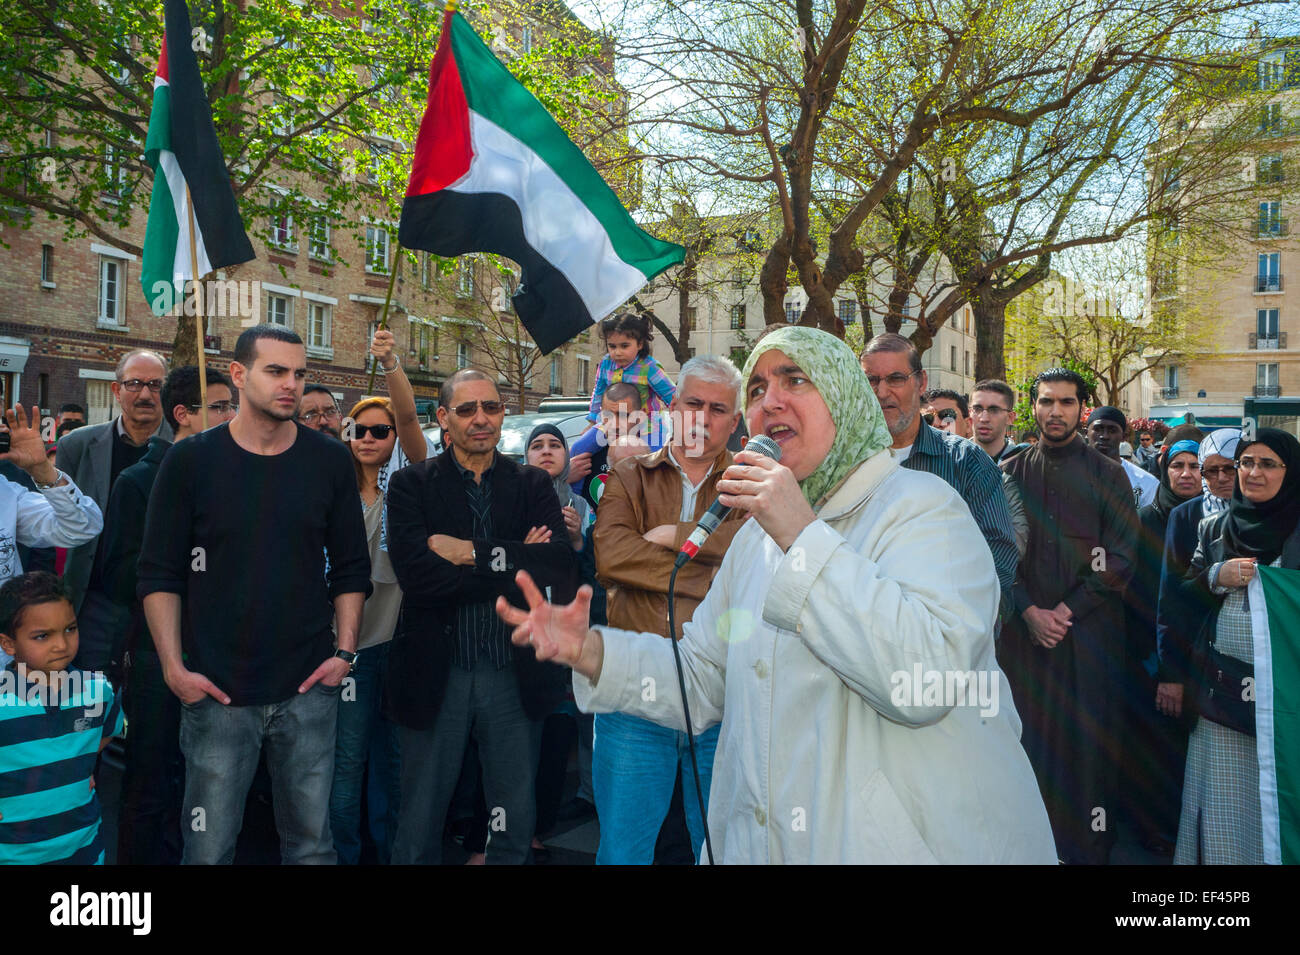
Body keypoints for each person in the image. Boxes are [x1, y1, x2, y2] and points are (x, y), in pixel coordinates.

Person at [499, 326, 1056, 863]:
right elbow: (701, 676)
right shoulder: (754, 541)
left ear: (844, 397)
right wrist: (594, 652)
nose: (770, 400)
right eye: (759, 388)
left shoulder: (924, 507)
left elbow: (924, 683)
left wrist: (800, 533)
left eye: (795, 379)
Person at [138, 325, 372, 865]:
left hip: (310, 685)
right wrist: (175, 669)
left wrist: (344, 654)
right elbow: (158, 574)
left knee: (313, 847)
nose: (291, 384)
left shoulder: (330, 460)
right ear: (240, 375)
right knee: (208, 848)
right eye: (276, 371)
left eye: (300, 373)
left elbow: (352, 569)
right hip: (216, 690)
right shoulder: (191, 461)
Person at [384, 368, 578, 864]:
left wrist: (468, 551)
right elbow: (419, 578)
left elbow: (555, 565)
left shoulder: (532, 483)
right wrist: (513, 560)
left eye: (490, 407)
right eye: (467, 409)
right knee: (419, 819)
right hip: (436, 670)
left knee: (513, 818)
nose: (481, 419)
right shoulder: (412, 485)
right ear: (444, 418)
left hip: (512, 673)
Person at [588, 355, 746, 865]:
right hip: (636, 690)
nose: (703, 417)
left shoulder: (754, 485)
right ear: (672, 407)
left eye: (718, 408)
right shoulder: (630, 474)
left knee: (721, 849)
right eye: (693, 403)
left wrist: (674, 538)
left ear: (736, 419)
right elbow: (611, 557)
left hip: (723, 697)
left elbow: (757, 568)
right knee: (623, 852)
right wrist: (713, 565)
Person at [999, 368, 1139, 864]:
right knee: (1027, 747)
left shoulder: (1108, 474)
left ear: (1083, 407)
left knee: (1088, 756)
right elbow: (994, 556)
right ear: (1032, 409)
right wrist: (1029, 610)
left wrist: (1064, 610)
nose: (1054, 411)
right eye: (1045, 402)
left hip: (1089, 642)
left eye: (1065, 402)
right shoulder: (1010, 474)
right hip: (1025, 643)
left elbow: (1121, 557)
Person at [106, 365, 238, 866]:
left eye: (233, 406)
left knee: (209, 787)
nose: (231, 416)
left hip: (223, 654)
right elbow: (119, 577)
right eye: (221, 407)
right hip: (158, 658)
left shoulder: (234, 477)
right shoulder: (138, 481)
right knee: (150, 782)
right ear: (183, 415)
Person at [1173, 429, 1300, 865]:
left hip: (1285, 703)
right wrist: (1215, 577)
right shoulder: (1214, 529)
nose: (1253, 473)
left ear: (1291, 471)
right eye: (1246, 463)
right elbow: (1180, 600)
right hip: (1222, 698)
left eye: (1268, 464)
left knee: (1279, 802)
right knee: (1226, 811)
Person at [860, 334, 1018, 624]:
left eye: (895, 378)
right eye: (870, 380)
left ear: (921, 383)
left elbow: (1000, 557)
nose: (881, 392)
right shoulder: (844, 463)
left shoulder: (966, 463)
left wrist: (956, 624)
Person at [58, 350, 174, 677]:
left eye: (156, 385)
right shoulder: (77, 446)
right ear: (116, 390)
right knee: (93, 701)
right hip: (93, 601)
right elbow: (56, 520)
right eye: (134, 383)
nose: (146, 394)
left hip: (162, 602)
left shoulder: (186, 450)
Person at [0, 571, 123, 864]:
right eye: (43, 636)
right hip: (13, 854)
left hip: (83, 848)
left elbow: (106, 731)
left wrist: (75, 766)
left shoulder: (98, 690)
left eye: (70, 629)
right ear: (8, 644)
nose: (61, 644)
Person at [1120, 430, 1202, 854]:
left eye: (1195, 467)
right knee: (1154, 751)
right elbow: (1140, 595)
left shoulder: (1211, 519)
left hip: (1198, 660)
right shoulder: (1148, 520)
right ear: (1163, 469)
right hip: (1152, 659)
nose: (1186, 474)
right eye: (1177, 466)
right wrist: (1156, 661)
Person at [1155, 428, 1242, 725]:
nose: (1220, 479)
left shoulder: (1268, 514)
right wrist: (1171, 673)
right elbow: (1172, 597)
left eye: (1230, 469)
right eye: (1211, 471)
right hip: (1199, 652)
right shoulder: (1186, 516)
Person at [585, 312, 675, 442]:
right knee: (579, 448)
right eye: (612, 346)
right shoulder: (606, 364)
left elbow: (671, 396)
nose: (617, 352)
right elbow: (598, 392)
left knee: (653, 459)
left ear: (639, 344)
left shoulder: (649, 367)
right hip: (612, 424)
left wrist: (681, 422)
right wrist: (593, 419)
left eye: (624, 346)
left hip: (648, 426)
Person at [568, 381, 651, 511]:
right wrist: (563, 479)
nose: (615, 424)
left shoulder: (655, 458)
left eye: (623, 415)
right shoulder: (583, 458)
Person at [1085, 406, 1157, 508]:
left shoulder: (1146, 482)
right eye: (1098, 429)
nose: (1104, 436)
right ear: (1086, 433)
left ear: (1123, 436)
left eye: (1112, 430)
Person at [970, 380, 1025, 464]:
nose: (984, 419)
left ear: (1010, 417)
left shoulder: (1025, 465)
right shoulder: (951, 461)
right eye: (977, 409)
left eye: (994, 410)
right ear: (969, 414)